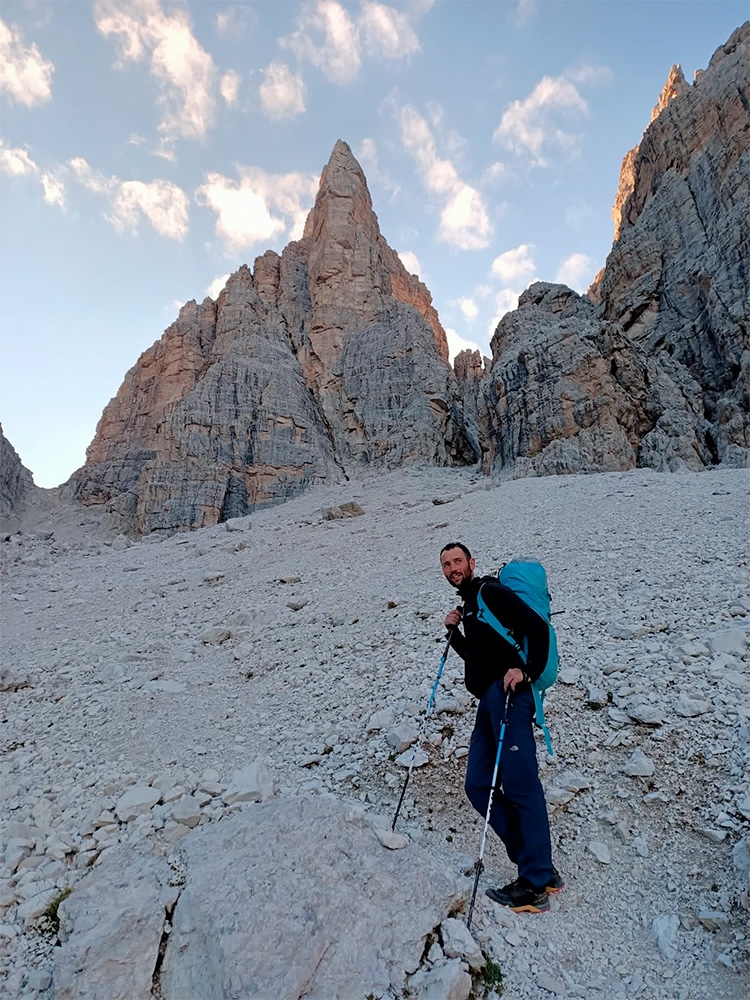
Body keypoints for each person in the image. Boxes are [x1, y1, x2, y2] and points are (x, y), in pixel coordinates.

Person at [440, 541, 563, 913]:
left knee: (521, 782)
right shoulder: (471, 607)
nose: (452, 568)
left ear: (471, 563)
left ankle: (535, 883)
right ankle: (537, 864)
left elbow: (536, 628)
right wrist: (454, 635)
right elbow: (481, 659)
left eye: (458, 560)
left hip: (512, 694)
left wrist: (527, 672)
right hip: (489, 699)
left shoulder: (490, 592)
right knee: (478, 784)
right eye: (446, 564)